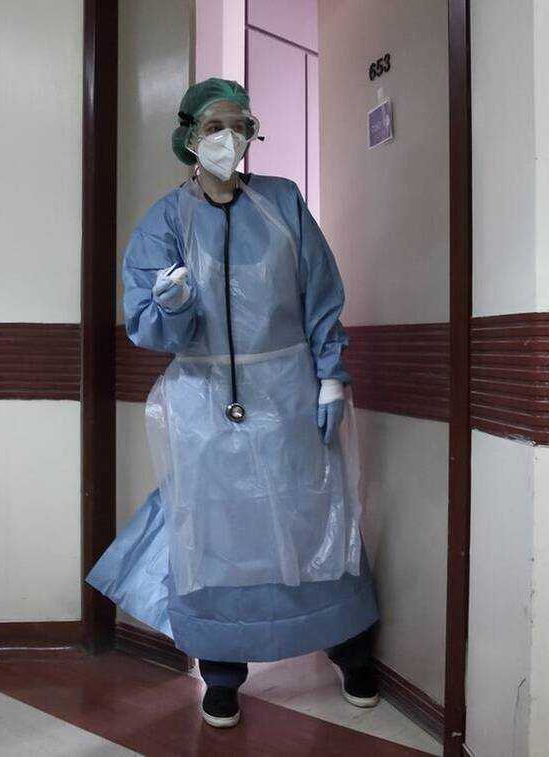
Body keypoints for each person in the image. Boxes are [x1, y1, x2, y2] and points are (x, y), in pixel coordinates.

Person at [87, 78, 379, 729]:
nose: (227, 138)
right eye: (213, 126)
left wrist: (330, 376)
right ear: (189, 137)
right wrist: (170, 305)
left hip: (290, 394)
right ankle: (222, 672)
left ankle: (349, 648)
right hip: (203, 403)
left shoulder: (282, 203)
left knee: (316, 522)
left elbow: (320, 293)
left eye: (238, 125)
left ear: (251, 133)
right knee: (215, 535)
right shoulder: (166, 220)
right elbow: (148, 324)